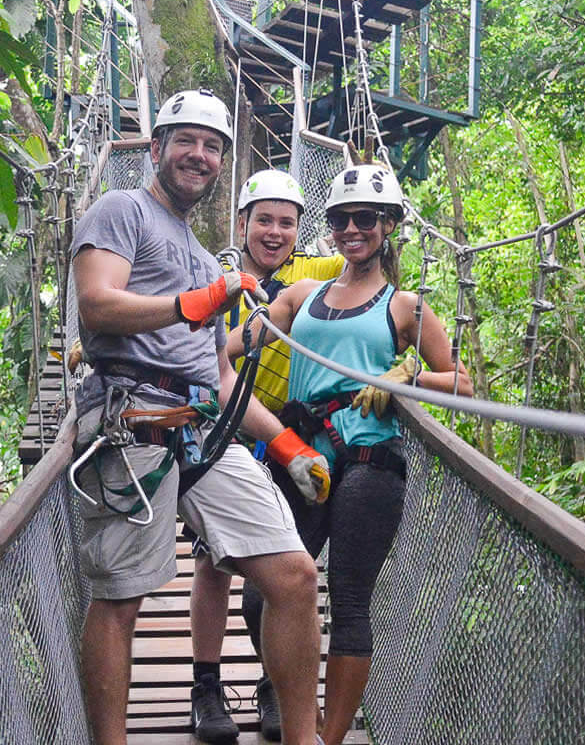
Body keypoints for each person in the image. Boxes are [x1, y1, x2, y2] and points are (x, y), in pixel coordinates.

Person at [68, 89, 332, 745]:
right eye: (186, 141)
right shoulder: (120, 209)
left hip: (199, 429)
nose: (199, 154)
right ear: (156, 149)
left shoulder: (193, 249)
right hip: (130, 425)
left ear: (220, 166)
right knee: (121, 597)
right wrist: (197, 302)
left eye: (212, 145)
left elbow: (220, 375)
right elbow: (97, 306)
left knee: (295, 577)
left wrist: (288, 447)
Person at [255, 163, 470, 745]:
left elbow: (464, 385)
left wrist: (410, 374)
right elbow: (238, 341)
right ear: (330, 228)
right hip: (301, 456)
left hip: (370, 458)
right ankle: (291, 699)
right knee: (264, 593)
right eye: (343, 219)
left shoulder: (406, 306)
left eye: (366, 218)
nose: (354, 229)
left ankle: (327, 740)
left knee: (348, 600)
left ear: (388, 225)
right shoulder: (301, 294)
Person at [185, 168, 343, 743]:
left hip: (285, 430)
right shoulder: (215, 274)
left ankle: (275, 682)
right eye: (264, 221)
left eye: (287, 222)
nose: (274, 232)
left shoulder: (313, 272)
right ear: (242, 224)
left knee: (282, 564)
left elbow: (365, 261)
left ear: (300, 230)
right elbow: (172, 325)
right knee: (212, 559)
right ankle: (206, 686)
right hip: (220, 429)